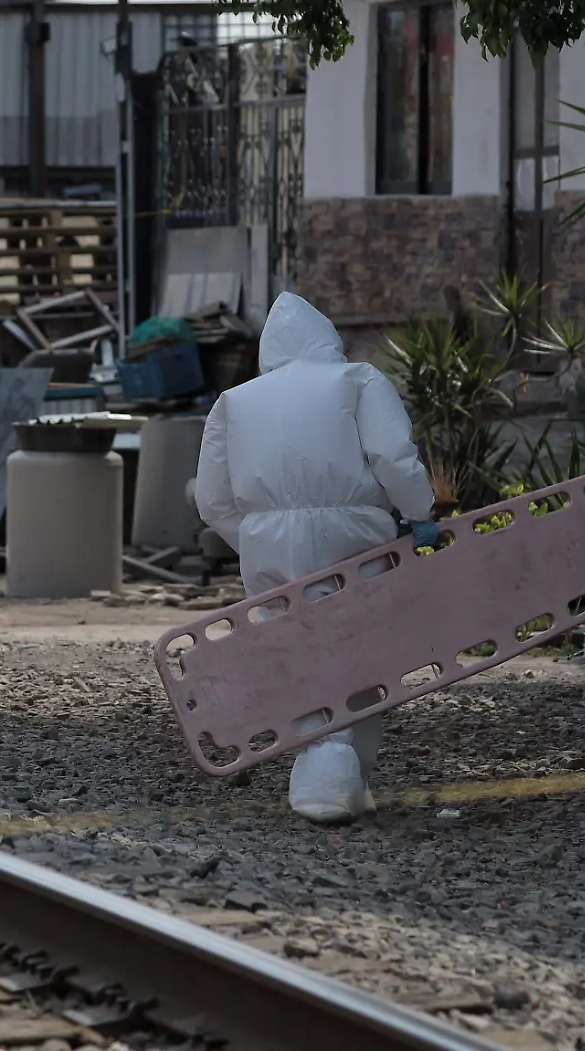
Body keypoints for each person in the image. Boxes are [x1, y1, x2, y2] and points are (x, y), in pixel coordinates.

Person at [192, 292, 439, 825]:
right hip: (352, 530)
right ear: (327, 338)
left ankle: (332, 773)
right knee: (360, 647)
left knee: (297, 650)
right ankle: (338, 778)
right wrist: (419, 513)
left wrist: (256, 536)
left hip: (267, 542)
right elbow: (393, 456)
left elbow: (211, 500)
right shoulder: (357, 380)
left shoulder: (235, 401)